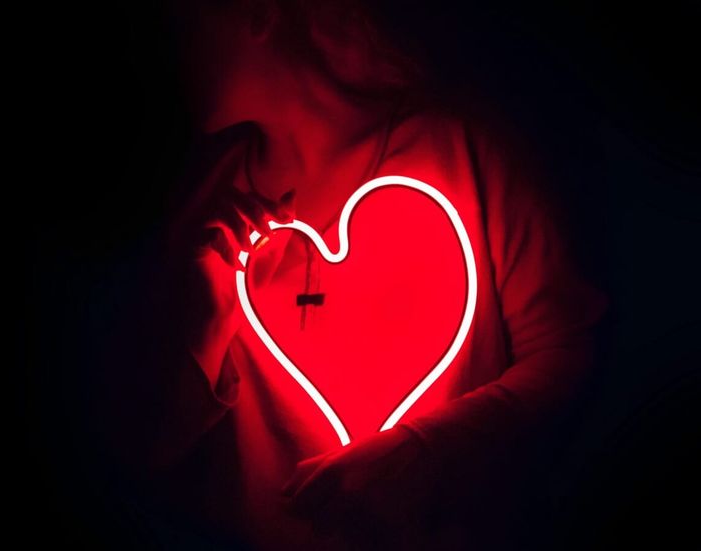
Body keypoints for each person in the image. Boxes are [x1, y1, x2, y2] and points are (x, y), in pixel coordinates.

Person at [87, 0, 610, 549]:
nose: (161, 37)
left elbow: (571, 351)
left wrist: (426, 451)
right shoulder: (203, 201)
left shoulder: (466, 147)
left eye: (182, 16)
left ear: (258, 13)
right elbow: (142, 457)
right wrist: (203, 322)